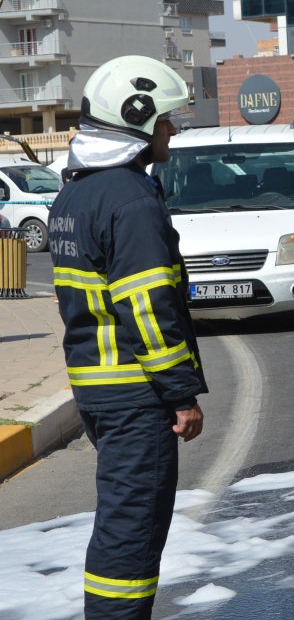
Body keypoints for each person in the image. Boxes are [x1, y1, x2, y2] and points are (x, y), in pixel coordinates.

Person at [48, 55, 207, 620]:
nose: (172, 129)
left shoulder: (75, 194)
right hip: (137, 394)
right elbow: (148, 307)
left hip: (98, 388)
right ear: (136, 120)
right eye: (165, 120)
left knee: (120, 523)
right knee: (132, 533)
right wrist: (180, 394)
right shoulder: (131, 198)